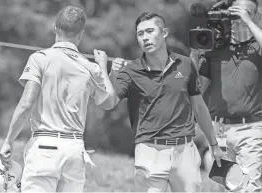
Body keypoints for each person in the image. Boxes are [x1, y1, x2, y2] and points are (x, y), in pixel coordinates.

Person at [0, 6, 117, 192]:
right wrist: (102, 67)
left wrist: (9, 141)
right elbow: (110, 102)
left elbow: (26, 103)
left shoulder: (40, 58)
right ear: (81, 34)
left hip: (44, 147)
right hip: (74, 150)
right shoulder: (90, 67)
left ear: (55, 27)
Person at [110, 12, 224, 192]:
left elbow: (199, 107)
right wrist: (110, 74)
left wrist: (214, 144)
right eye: (140, 34)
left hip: (185, 150)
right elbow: (108, 103)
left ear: (164, 33)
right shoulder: (130, 71)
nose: (145, 38)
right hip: (149, 151)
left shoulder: (186, 64)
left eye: (149, 31)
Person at [196, 0, 262, 191]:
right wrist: (196, 55)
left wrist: (248, 22)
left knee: (250, 188)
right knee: (230, 187)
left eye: (247, 13)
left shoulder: (256, 46)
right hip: (220, 131)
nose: (240, 17)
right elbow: (198, 89)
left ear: (255, 16)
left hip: (250, 129)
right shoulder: (216, 49)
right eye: (236, 13)